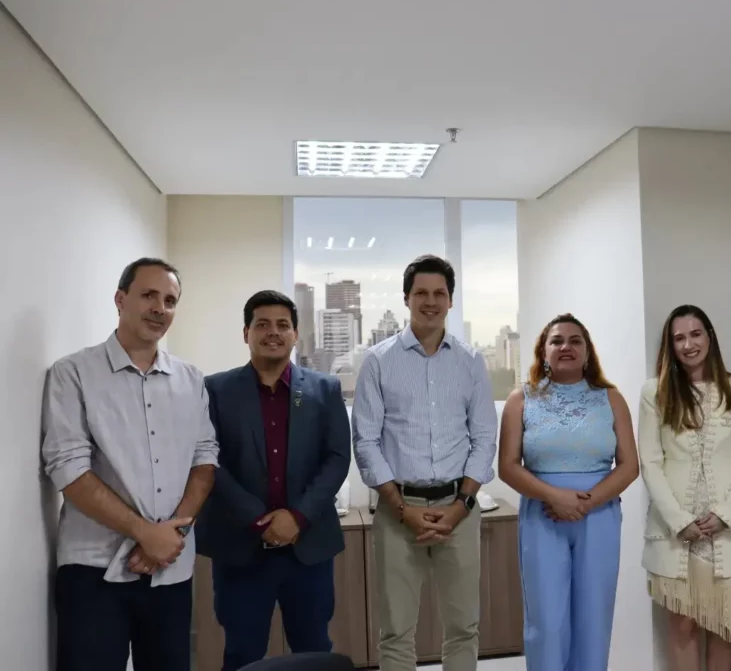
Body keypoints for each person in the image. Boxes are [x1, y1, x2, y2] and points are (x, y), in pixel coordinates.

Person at [41, 257, 219, 671]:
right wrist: (144, 533)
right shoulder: (73, 373)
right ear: (120, 300)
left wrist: (172, 534)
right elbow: (68, 467)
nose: (160, 308)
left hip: (170, 569)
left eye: (170, 301)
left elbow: (205, 458)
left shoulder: (191, 379)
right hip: (93, 569)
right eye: (149, 295)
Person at [352, 254, 497, 671]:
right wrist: (402, 509)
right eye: (421, 293)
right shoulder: (378, 361)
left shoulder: (471, 361)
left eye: (439, 293)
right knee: (396, 631)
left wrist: (460, 506)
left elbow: (484, 438)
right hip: (398, 511)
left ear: (450, 300)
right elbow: (365, 441)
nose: (430, 302)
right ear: (406, 298)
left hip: (459, 509)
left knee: (464, 627)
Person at [195, 290, 351, 671]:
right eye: (262, 324)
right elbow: (209, 460)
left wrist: (297, 517)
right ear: (245, 333)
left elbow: (337, 459)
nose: (273, 332)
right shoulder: (215, 390)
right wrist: (259, 519)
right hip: (241, 547)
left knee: (314, 649)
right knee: (241, 653)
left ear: (295, 334)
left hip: (307, 546)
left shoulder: (324, 389)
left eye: (283, 325)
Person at [498, 313, 639, 671]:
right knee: (546, 622)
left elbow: (629, 466)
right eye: (557, 341)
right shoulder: (521, 399)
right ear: (543, 352)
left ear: (587, 352)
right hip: (542, 517)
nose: (566, 347)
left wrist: (585, 504)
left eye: (576, 341)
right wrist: (554, 497)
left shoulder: (611, 398)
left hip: (599, 516)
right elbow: (508, 466)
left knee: (593, 617)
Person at [638, 305, 731, 670]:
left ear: (710, 337)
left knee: (726, 626)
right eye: (679, 338)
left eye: (695, 335)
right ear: (670, 345)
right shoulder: (654, 392)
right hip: (675, 534)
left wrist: (726, 514)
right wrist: (679, 520)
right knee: (683, 625)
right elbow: (650, 463)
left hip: (729, 531)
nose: (688, 344)